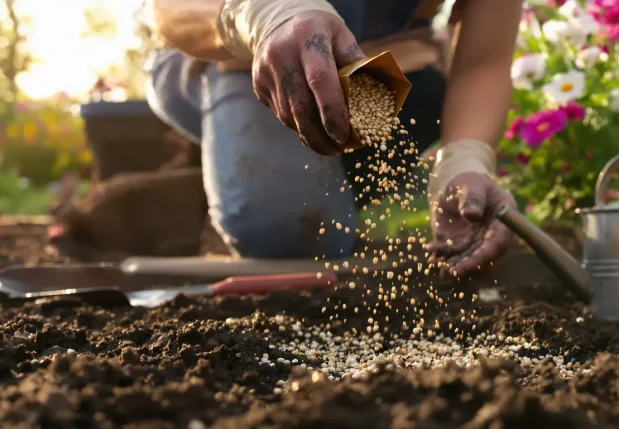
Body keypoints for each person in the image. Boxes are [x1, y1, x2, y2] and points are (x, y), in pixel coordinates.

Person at [144, 0, 522, 280]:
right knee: (283, 234)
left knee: (422, 101)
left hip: (380, 60)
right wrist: (266, 14)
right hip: (229, 43)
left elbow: (482, 62)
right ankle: (239, 157)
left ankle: (299, 178)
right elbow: (168, 10)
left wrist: (465, 162)